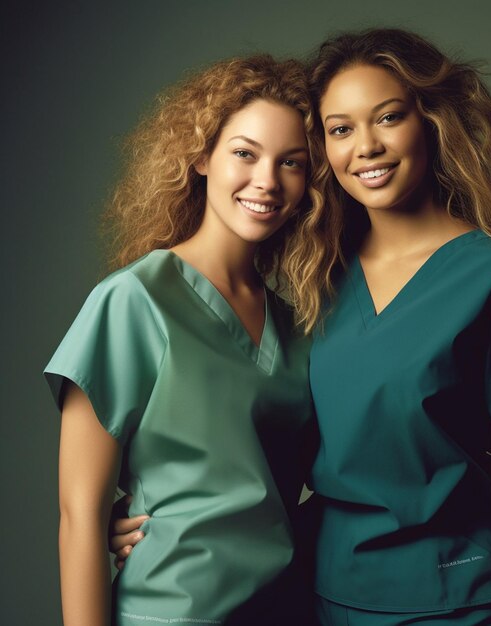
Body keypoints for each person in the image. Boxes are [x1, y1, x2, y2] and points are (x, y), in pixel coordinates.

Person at [110, 29, 491, 626]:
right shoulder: (318, 279)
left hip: (452, 603)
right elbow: (248, 442)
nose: (366, 146)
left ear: (430, 122)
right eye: (340, 129)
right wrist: (146, 515)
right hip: (316, 595)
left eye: (387, 118)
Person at [44, 55, 323, 626]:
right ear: (200, 157)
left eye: (291, 163)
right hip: (170, 613)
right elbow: (80, 513)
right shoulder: (134, 300)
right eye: (244, 153)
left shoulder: (298, 326)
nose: (267, 181)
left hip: (285, 611)